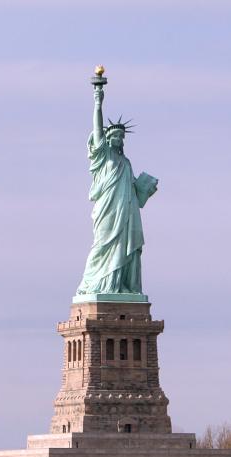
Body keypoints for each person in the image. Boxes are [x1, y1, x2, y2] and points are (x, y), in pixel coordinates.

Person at [76, 81, 158, 296]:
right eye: (115, 136)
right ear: (107, 139)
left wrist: (143, 189)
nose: (119, 139)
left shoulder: (127, 162)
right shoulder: (103, 157)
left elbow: (134, 193)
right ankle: (96, 285)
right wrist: (98, 102)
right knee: (102, 245)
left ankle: (122, 286)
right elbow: (97, 130)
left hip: (128, 210)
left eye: (122, 137)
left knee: (128, 247)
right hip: (108, 209)